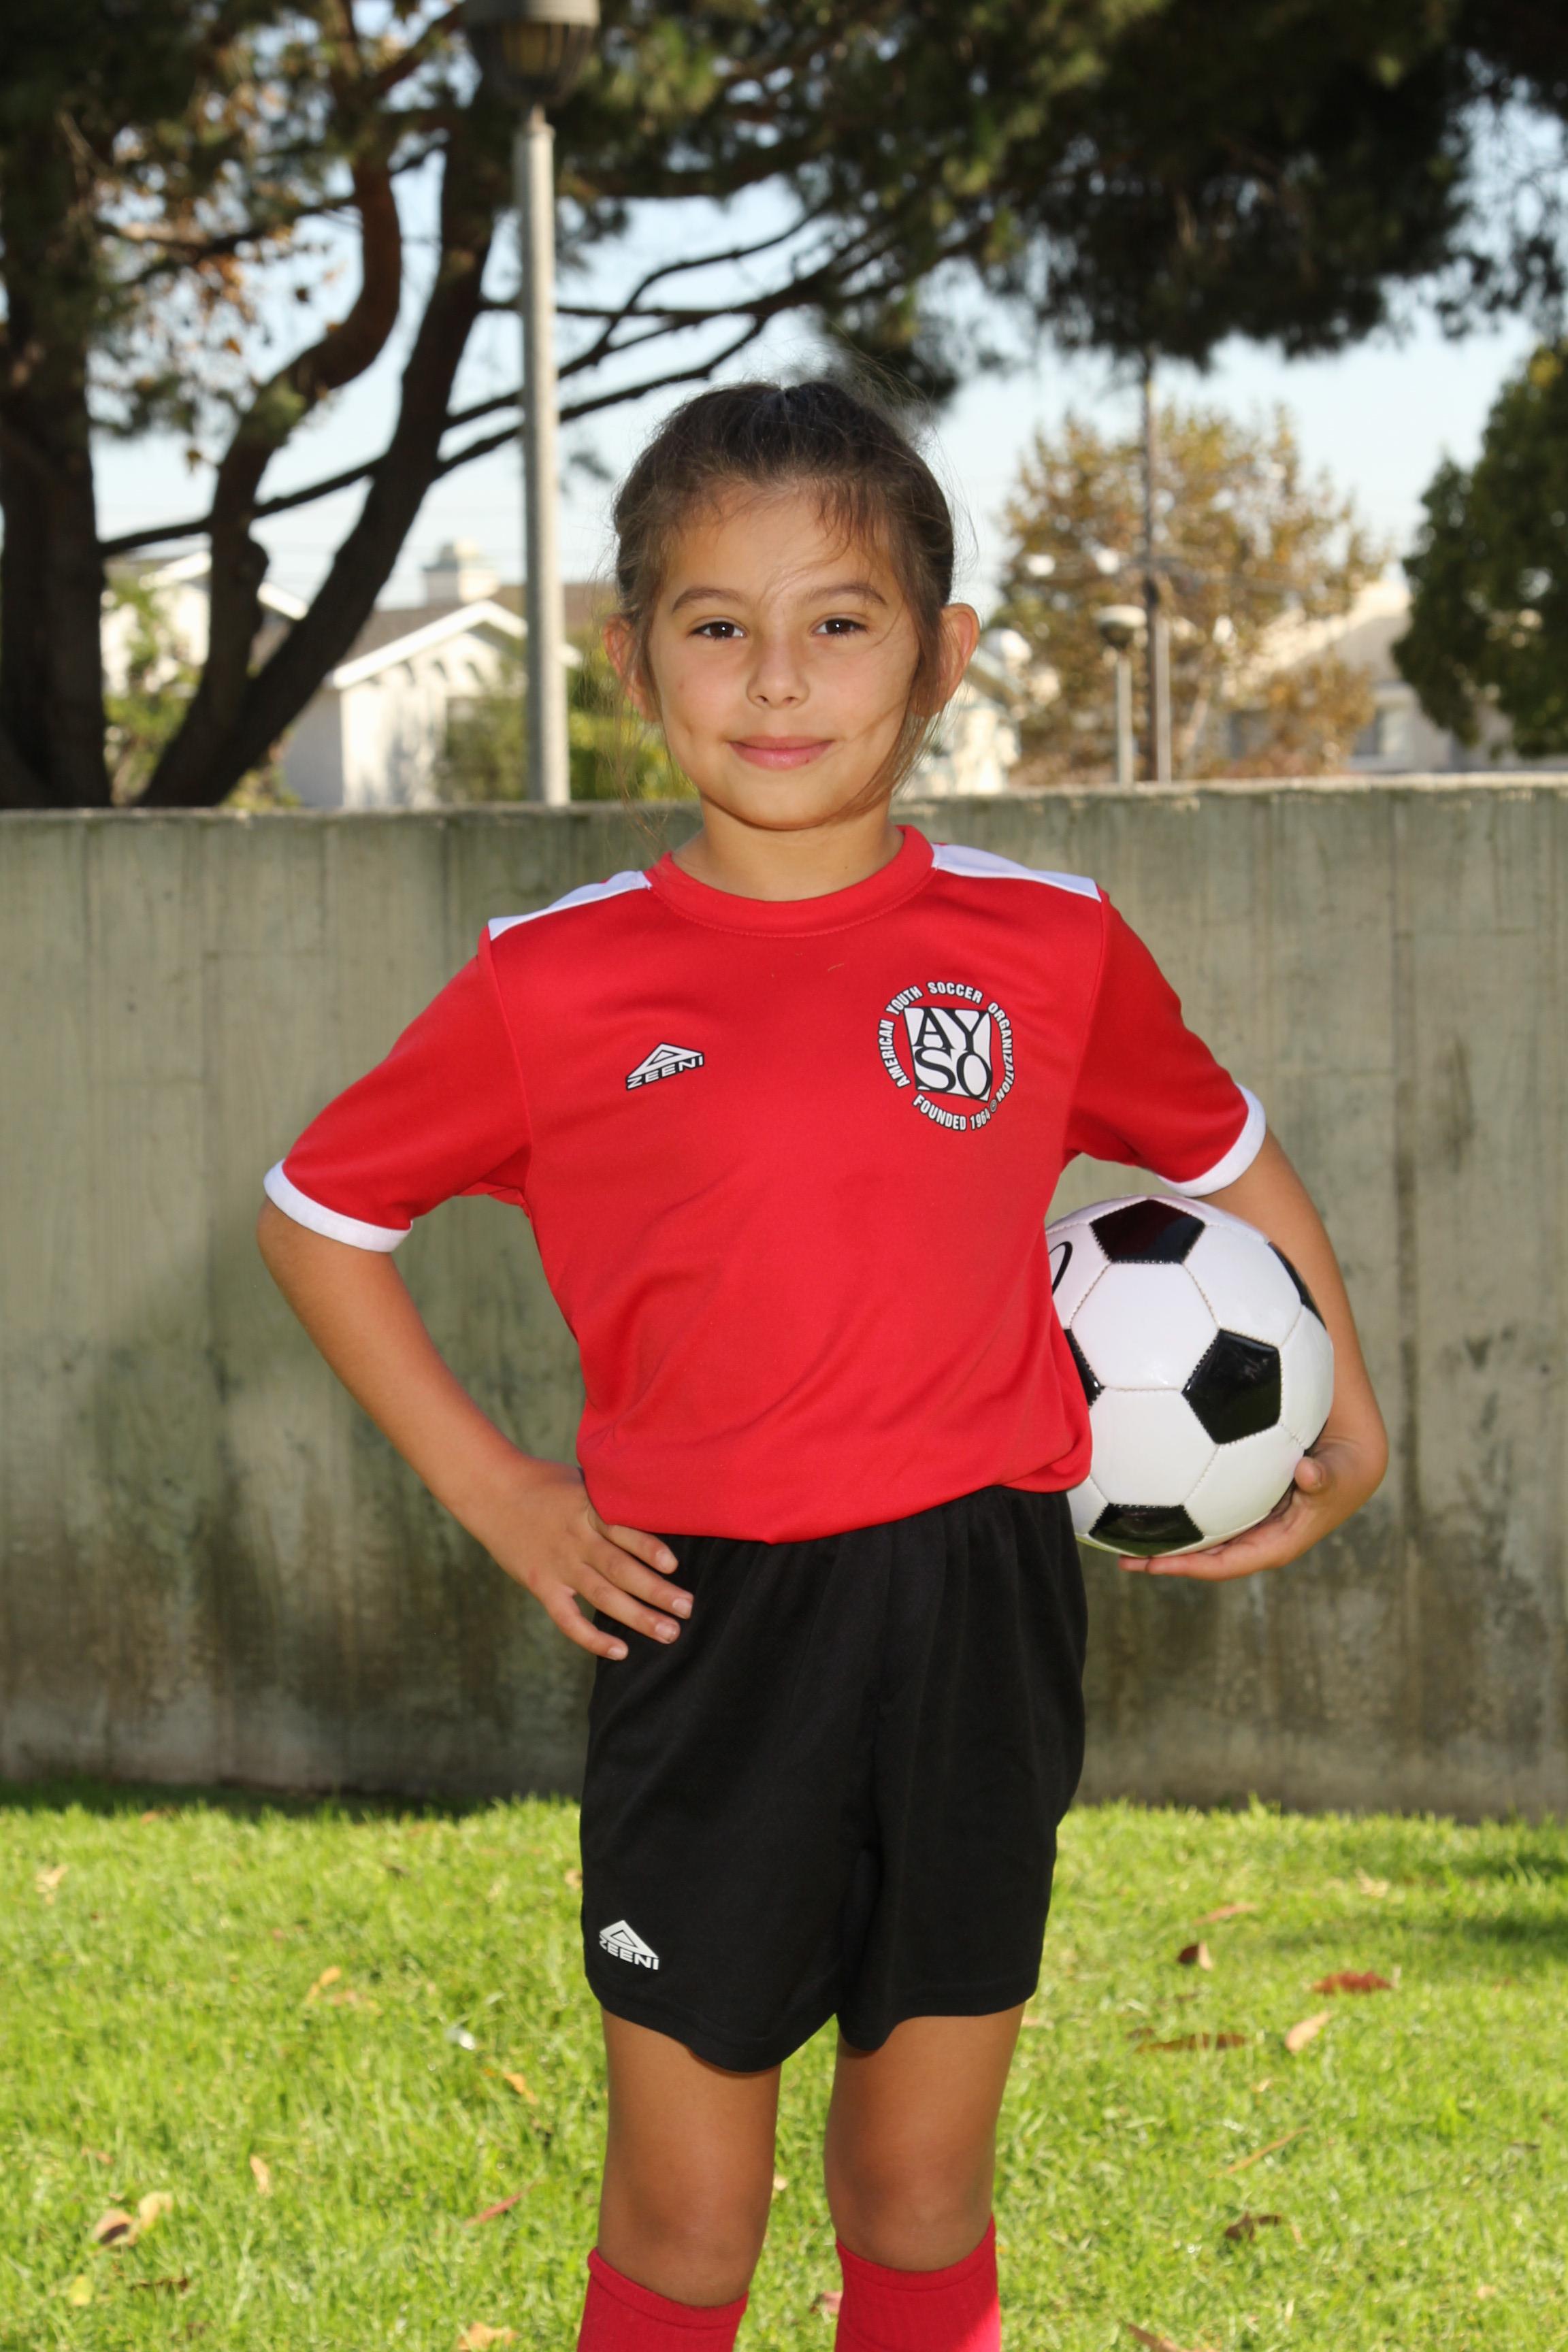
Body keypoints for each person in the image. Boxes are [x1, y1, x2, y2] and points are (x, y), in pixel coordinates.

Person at [257, 378, 1388, 2352]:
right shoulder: (553, 979)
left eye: (841, 621)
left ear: (942, 655)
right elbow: (316, 1215)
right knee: (690, 2219)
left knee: (921, 2188)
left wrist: (1345, 1398)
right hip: (709, 1624)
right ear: (634, 663)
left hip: (981, 1606)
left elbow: (1221, 1150)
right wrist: (501, 1492)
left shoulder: (1047, 945)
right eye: (718, 624)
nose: (778, 677)